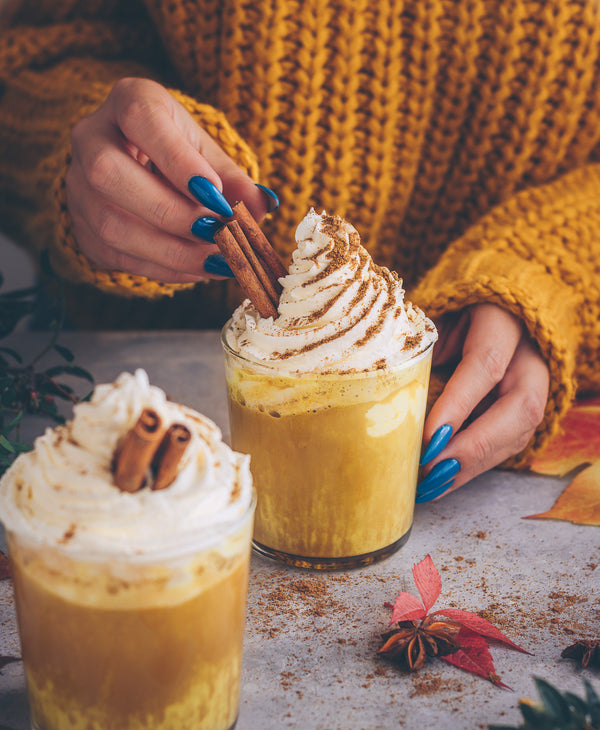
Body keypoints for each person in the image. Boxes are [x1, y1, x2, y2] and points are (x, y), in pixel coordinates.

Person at [1, 0, 599, 503]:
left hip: (491, 417)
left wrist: (551, 269)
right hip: (146, 419)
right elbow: (36, 54)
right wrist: (91, 154)